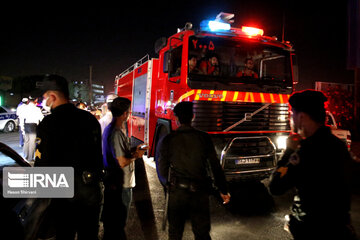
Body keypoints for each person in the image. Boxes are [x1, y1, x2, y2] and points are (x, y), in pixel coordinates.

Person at [268, 90, 357, 239]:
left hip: (313, 231)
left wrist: (288, 152)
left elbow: (276, 187)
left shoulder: (305, 151)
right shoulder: (337, 146)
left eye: (292, 114)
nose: (291, 119)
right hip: (340, 229)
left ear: (301, 117)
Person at [34, 74, 103, 240]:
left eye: (45, 98)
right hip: (90, 190)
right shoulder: (90, 119)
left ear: (53, 96)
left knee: (64, 234)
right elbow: (97, 156)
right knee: (89, 235)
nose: (45, 102)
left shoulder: (48, 124)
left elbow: (42, 164)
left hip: (63, 196)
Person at [158, 101, 231, 240]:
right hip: (199, 193)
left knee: (175, 233)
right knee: (202, 233)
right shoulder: (204, 138)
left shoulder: (168, 139)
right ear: (193, 116)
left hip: (177, 193)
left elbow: (162, 168)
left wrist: (168, 185)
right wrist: (223, 190)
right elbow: (215, 166)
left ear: (176, 118)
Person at [102, 97, 148, 240]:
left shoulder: (113, 129)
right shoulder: (115, 132)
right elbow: (121, 161)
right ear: (124, 114)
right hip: (121, 184)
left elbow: (120, 153)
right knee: (117, 224)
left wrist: (134, 149)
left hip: (115, 182)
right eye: (128, 112)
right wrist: (137, 156)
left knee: (112, 223)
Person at [22, 96, 43, 162]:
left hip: (26, 125)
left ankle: (25, 157)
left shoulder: (25, 108)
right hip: (33, 126)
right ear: (36, 100)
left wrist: (22, 127)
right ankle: (30, 158)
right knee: (32, 143)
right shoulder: (36, 109)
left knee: (26, 142)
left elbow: (22, 117)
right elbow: (41, 118)